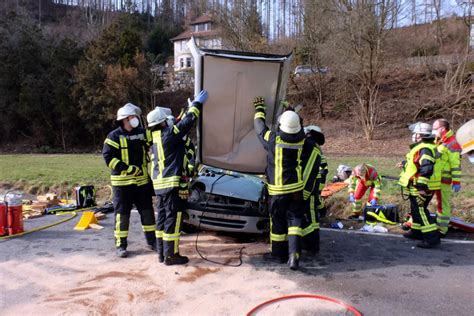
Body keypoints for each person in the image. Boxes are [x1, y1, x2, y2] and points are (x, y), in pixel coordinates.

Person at [147, 90, 208, 265]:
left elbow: (180, 124)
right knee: (173, 220)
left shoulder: (156, 137)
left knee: (162, 219)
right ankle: (171, 255)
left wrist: (182, 114)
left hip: (160, 186)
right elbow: (188, 122)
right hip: (172, 185)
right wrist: (196, 104)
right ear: (163, 122)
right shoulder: (169, 134)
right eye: (169, 119)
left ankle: (161, 253)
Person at [254, 97, 305, 270]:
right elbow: (297, 123)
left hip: (277, 189)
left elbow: (260, 129)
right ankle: (294, 256)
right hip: (296, 188)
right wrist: (289, 110)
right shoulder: (301, 137)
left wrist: (259, 108)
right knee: (295, 222)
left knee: (278, 222)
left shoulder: (274, 139)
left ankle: (277, 255)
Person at [102, 103, 156, 258]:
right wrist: (127, 168)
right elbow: (108, 158)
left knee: (148, 214)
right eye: (132, 117)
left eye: (135, 117)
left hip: (142, 183)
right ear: (124, 119)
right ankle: (121, 245)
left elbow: (155, 140)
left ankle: (152, 242)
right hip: (122, 185)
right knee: (122, 216)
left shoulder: (142, 133)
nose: (135, 120)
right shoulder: (113, 136)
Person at [398, 122, 441, 248]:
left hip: (421, 187)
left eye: (415, 133)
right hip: (416, 185)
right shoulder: (422, 147)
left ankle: (432, 238)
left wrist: (422, 187)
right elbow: (416, 163)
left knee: (421, 211)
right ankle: (416, 232)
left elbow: (426, 167)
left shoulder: (425, 148)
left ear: (421, 135)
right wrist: (405, 163)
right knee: (415, 211)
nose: (413, 136)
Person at [432, 119, 462, 237]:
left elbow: (455, 165)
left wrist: (456, 181)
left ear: (442, 128)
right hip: (434, 178)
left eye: (435, 128)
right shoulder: (438, 140)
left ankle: (441, 229)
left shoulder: (452, 142)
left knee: (443, 204)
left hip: (444, 180)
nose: (433, 130)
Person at [301, 125, 322, 255]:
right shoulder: (315, 147)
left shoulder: (309, 146)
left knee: (310, 219)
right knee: (312, 219)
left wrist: (303, 192)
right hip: (311, 188)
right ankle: (312, 244)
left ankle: (311, 245)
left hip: (306, 190)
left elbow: (307, 171)